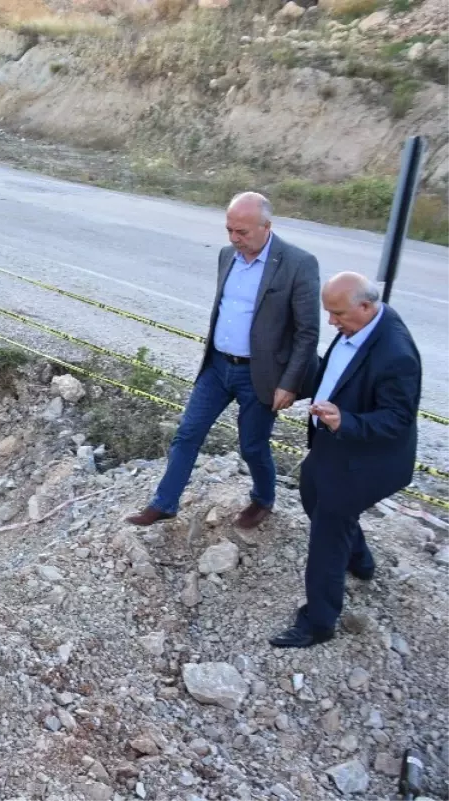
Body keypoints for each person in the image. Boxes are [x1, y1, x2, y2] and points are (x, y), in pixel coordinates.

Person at [127, 192, 320, 529]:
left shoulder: (298, 264)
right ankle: (165, 503)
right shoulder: (226, 256)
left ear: (266, 226)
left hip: (260, 374)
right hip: (217, 367)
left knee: (252, 445)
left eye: (242, 232)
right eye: (229, 230)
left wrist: (289, 383)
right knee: (187, 434)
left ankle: (263, 498)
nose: (234, 238)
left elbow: (308, 333)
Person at [269, 272, 422, 648]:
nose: (332, 322)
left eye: (337, 314)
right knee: (309, 493)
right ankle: (361, 561)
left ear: (366, 306)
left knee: (327, 532)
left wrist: (346, 421)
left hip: (365, 459)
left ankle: (318, 622)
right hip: (334, 444)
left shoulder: (396, 353)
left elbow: (398, 419)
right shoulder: (360, 326)